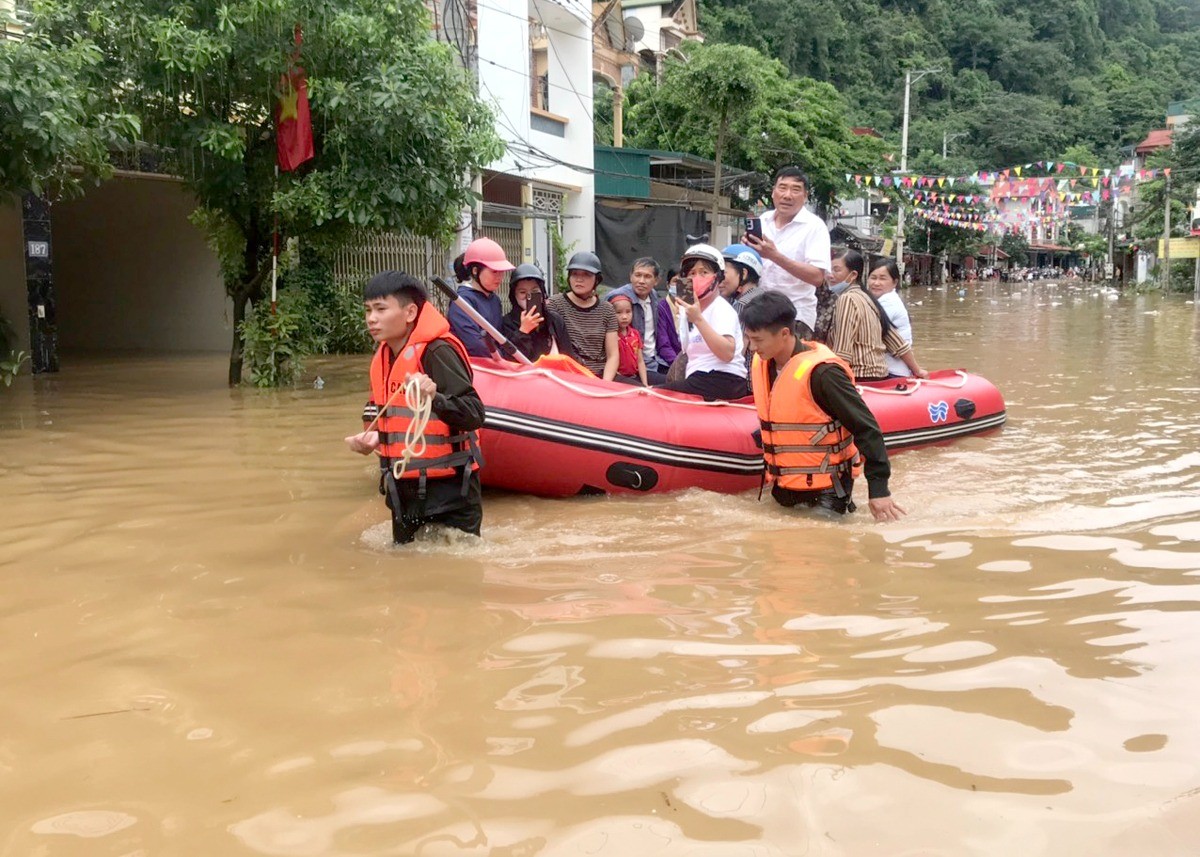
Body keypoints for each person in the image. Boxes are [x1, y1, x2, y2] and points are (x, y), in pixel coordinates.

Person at [740, 290, 905, 522]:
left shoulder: (824, 373)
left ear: (785, 333)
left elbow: (867, 428)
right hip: (784, 485)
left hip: (827, 490)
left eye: (758, 340)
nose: (751, 347)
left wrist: (879, 490)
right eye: (748, 338)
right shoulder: (763, 364)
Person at [346, 272, 485, 544]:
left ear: (410, 312)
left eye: (381, 309)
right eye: (368, 310)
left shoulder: (437, 351)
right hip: (402, 491)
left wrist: (434, 398)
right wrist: (373, 439)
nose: (371, 318)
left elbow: (474, 413)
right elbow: (382, 413)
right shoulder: (383, 358)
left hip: (451, 493)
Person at [745, 166, 832, 334]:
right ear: (773, 192)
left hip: (795, 316)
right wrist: (747, 250)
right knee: (758, 361)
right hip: (759, 312)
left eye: (796, 189)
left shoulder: (815, 227)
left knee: (793, 361)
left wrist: (774, 256)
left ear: (805, 196)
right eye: (782, 188)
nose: (787, 195)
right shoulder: (763, 220)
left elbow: (817, 277)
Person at [656, 243, 747, 401]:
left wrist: (698, 320)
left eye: (704, 272)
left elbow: (727, 353)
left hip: (722, 379)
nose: (696, 278)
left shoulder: (720, 308)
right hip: (699, 378)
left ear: (717, 278)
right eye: (691, 273)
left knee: (658, 396)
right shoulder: (689, 311)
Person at [828, 249, 927, 382]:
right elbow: (894, 340)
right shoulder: (869, 298)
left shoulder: (847, 299)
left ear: (852, 275)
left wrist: (836, 382)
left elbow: (843, 351)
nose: (830, 275)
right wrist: (918, 370)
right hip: (880, 372)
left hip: (861, 375)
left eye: (836, 270)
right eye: (829, 270)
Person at [545, 251, 619, 379]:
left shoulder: (607, 309)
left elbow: (613, 355)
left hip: (601, 376)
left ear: (597, 279)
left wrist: (605, 384)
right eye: (574, 274)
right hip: (570, 374)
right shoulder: (555, 304)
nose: (579, 279)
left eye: (586, 274)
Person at [447, 237, 514, 358]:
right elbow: (475, 345)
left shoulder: (495, 300)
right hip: (472, 369)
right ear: (475, 271)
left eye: (501, 272)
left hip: (495, 366)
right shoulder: (462, 301)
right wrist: (501, 359)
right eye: (494, 271)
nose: (500, 277)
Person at [500, 263, 575, 362]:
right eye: (522, 292)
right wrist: (523, 331)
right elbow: (509, 361)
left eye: (535, 291)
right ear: (514, 295)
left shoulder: (554, 320)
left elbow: (569, 357)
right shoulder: (507, 323)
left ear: (542, 293)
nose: (528, 296)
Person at [606, 257, 669, 373]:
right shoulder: (617, 298)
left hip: (656, 359)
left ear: (656, 281)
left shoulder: (654, 296)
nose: (641, 281)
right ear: (631, 276)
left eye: (647, 276)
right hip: (632, 364)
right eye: (637, 275)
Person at [866, 257, 926, 379]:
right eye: (873, 277)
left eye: (882, 278)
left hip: (891, 371)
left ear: (894, 282)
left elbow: (896, 344)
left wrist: (917, 370)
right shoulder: (878, 301)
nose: (876, 283)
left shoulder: (888, 302)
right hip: (889, 369)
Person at [608, 293, 649, 386]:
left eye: (628, 312)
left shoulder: (635, 333)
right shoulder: (610, 336)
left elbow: (640, 361)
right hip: (618, 377)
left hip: (634, 375)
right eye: (618, 312)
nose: (624, 317)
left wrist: (645, 383)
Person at [720, 243, 763, 310]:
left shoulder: (744, 305)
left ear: (743, 274)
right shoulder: (762, 297)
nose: (718, 279)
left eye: (723, 272)